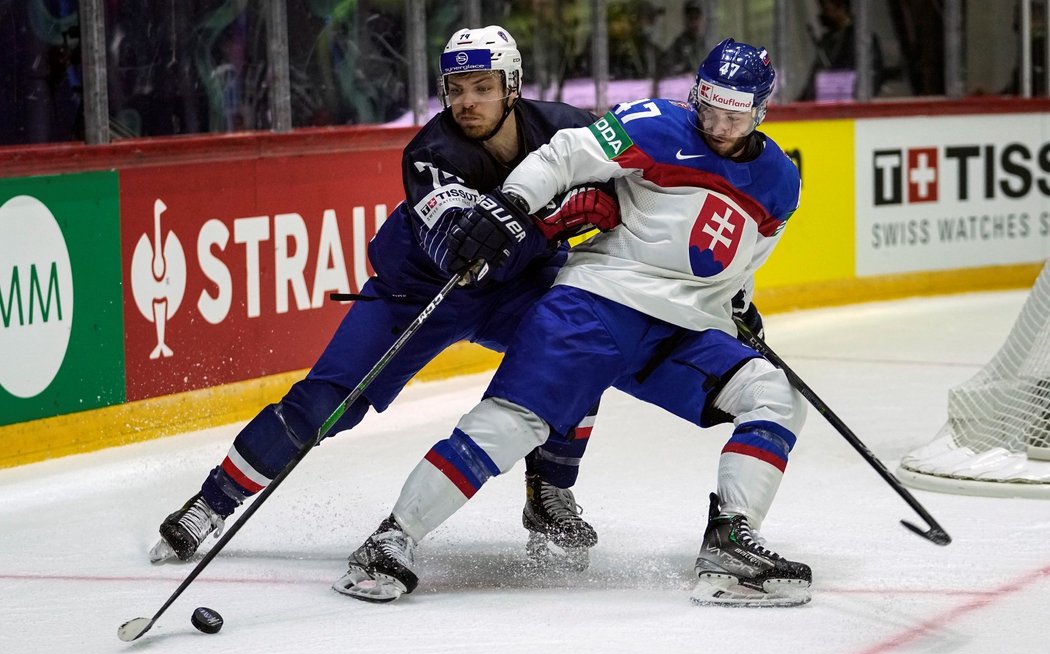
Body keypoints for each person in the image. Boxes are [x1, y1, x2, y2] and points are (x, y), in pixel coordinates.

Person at [339, 38, 812, 607]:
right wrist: (511, 202)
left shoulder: (781, 182)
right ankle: (393, 538)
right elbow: (564, 154)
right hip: (597, 304)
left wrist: (739, 302)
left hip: (682, 328)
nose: (716, 123)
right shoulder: (655, 122)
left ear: (760, 111)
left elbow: (745, 257)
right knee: (514, 423)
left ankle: (730, 542)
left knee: (775, 396)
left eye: (732, 113)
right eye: (708, 107)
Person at [149, 25, 621, 573]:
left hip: (519, 286)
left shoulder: (569, 129)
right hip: (418, 291)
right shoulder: (430, 151)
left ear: (512, 87)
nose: (465, 101)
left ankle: (548, 496)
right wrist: (555, 216)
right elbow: (462, 252)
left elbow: (656, 174)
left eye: (482, 87)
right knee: (324, 406)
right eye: (455, 88)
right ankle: (210, 503)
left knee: (581, 353)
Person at [798, 0, 884, 101]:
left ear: (841, 7)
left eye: (827, 10)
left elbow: (870, 80)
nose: (822, 15)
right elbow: (815, 77)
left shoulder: (862, 39)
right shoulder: (828, 39)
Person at [660, 0, 708, 78]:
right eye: (691, 18)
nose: (694, 22)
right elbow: (668, 68)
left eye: (696, 18)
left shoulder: (704, 44)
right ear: (685, 19)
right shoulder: (678, 45)